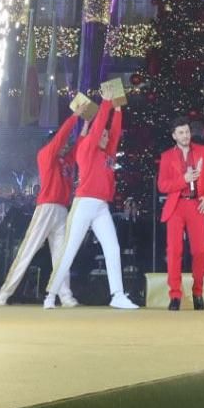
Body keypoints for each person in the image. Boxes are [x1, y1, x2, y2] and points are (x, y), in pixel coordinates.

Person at [46, 84, 139, 309]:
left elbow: (114, 132)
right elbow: (98, 128)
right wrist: (106, 103)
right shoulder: (86, 149)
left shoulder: (107, 154)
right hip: (84, 204)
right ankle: (50, 295)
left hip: (101, 207)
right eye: (102, 134)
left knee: (112, 248)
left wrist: (118, 109)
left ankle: (117, 295)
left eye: (107, 135)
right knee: (69, 250)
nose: (106, 136)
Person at [0, 99, 88, 306]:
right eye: (62, 143)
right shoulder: (46, 155)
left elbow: (78, 147)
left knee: (61, 254)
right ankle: (4, 293)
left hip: (62, 210)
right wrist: (75, 116)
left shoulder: (65, 161)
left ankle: (65, 295)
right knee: (28, 249)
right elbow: (61, 137)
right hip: (46, 207)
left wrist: (86, 123)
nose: (66, 145)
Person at [158, 119, 204, 310]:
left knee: (200, 251)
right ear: (174, 136)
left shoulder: (203, 151)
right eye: (181, 133)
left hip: (196, 205)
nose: (185, 136)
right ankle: (175, 295)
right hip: (176, 206)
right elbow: (162, 185)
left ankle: (198, 292)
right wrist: (183, 179)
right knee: (174, 251)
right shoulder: (167, 156)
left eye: (187, 132)